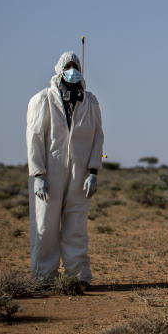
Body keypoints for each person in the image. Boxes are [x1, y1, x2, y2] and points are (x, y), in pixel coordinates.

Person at [26, 51, 104, 284]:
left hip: (80, 174)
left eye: (75, 65)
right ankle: (43, 277)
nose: (72, 69)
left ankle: (77, 276)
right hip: (50, 171)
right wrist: (38, 173)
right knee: (45, 225)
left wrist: (93, 171)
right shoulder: (42, 100)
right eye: (68, 66)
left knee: (76, 226)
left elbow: (98, 137)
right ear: (59, 69)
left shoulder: (89, 101)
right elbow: (35, 138)